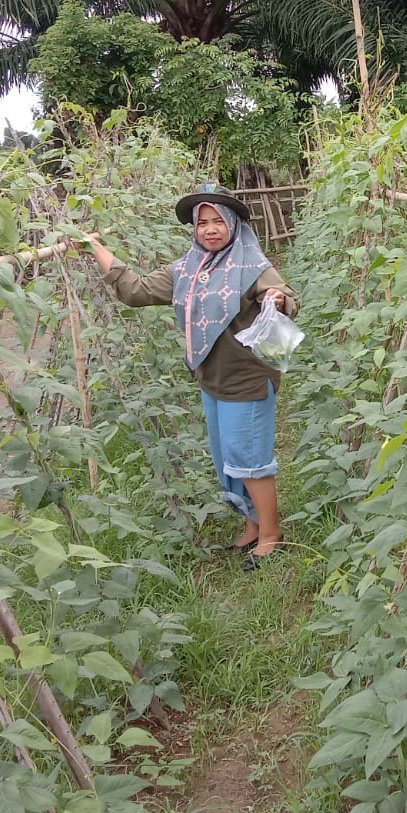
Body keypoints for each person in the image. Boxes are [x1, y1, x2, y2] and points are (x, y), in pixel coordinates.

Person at [83, 183, 297, 569]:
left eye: (218, 222)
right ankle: (252, 522)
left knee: (249, 459)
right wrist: (95, 249)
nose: (210, 230)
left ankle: (271, 534)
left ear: (233, 224)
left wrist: (277, 300)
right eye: (202, 223)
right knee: (226, 459)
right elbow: (136, 290)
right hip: (211, 380)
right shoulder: (186, 270)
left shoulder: (251, 268)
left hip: (246, 379)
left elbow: (285, 295)